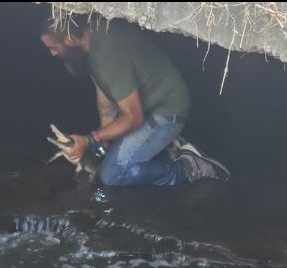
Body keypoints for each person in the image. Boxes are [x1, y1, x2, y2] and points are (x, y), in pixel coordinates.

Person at [40, 17, 230, 186]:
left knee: (111, 175)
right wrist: (105, 141)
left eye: (53, 48)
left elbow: (134, 117)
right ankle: (169, 147)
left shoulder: (107, 57)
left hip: (167, 111)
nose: (53, 54)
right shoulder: (91, 44)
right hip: (147, 106)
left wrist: (90, 140)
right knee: (105, 154)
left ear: (69, 40)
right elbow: (105, 98)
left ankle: (188, 168)